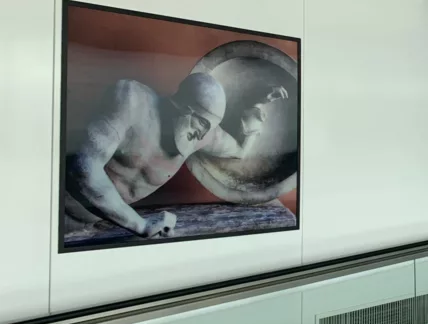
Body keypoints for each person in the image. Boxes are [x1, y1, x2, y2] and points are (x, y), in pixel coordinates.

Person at [64, 72, 288, 240]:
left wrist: (253, 108)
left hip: (101, 226)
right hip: (60, 215)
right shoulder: (131, 100)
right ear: (181, 107)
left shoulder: (202, 135)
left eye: (209, 127)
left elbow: (240, 151)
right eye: (201, 123)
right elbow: (84, 169)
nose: (201, 134)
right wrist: (140, 225)